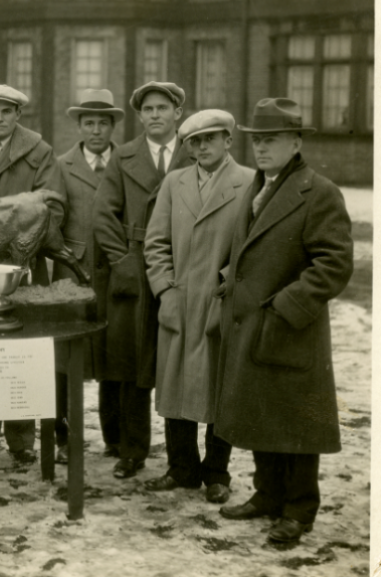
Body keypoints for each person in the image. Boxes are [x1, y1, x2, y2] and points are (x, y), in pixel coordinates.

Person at [214, 98, 353, 544]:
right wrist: (228, 283)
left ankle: (298, 509)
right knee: (259, 415)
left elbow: (334, 264)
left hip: (291, 329)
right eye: (257, 140)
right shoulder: (257, 187)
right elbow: (248, 250)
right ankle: (267, 495)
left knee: (296, 422)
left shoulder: (320, 191)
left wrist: (287, 306)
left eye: (271, 140)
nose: (262, 148)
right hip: (251, 326)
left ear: (295, 142)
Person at [143, 109, 255, 502]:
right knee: (175, 385)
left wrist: (228, 283)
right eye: (195, 141)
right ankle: (182, 468)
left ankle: (216, 474)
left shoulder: (248, 183)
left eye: (211, 138)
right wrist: (164, 290)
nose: (203, 147)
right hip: (178, 299)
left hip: (220, 301)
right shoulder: (175, 183)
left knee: (217, 387)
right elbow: (155, 242)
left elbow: (253, 245)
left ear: (228, 140)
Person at [0, 84, 65, 465]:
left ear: (19, 115)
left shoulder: (39, 151)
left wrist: (25, 238)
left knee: (20, 349)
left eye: (7, 112)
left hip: (21, 263)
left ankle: (22, 438)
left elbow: (52, 204)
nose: (0, 118)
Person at [93, 81, 191, 479]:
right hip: (133, 264)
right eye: (147, 110)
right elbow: (103, 213)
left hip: (181, 262)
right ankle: (131, 449)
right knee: (130, 358)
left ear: (177, 114)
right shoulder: (125, 157)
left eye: (162, 108)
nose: (154, 116)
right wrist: (122, 261)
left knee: (175, 357)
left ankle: (183, 459)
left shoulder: (194, 151)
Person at [53, 89, 123, 465]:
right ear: (78, 126)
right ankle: (64, 436)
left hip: (113, 271)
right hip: (73, 271)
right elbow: (53, 218)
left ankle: (115, 436)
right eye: (89, 123)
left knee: (112, 355)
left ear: (112, 127)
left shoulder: (126, 163)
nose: (96, 130)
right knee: (66, 358)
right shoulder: (62, 164)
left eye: (103, 123)